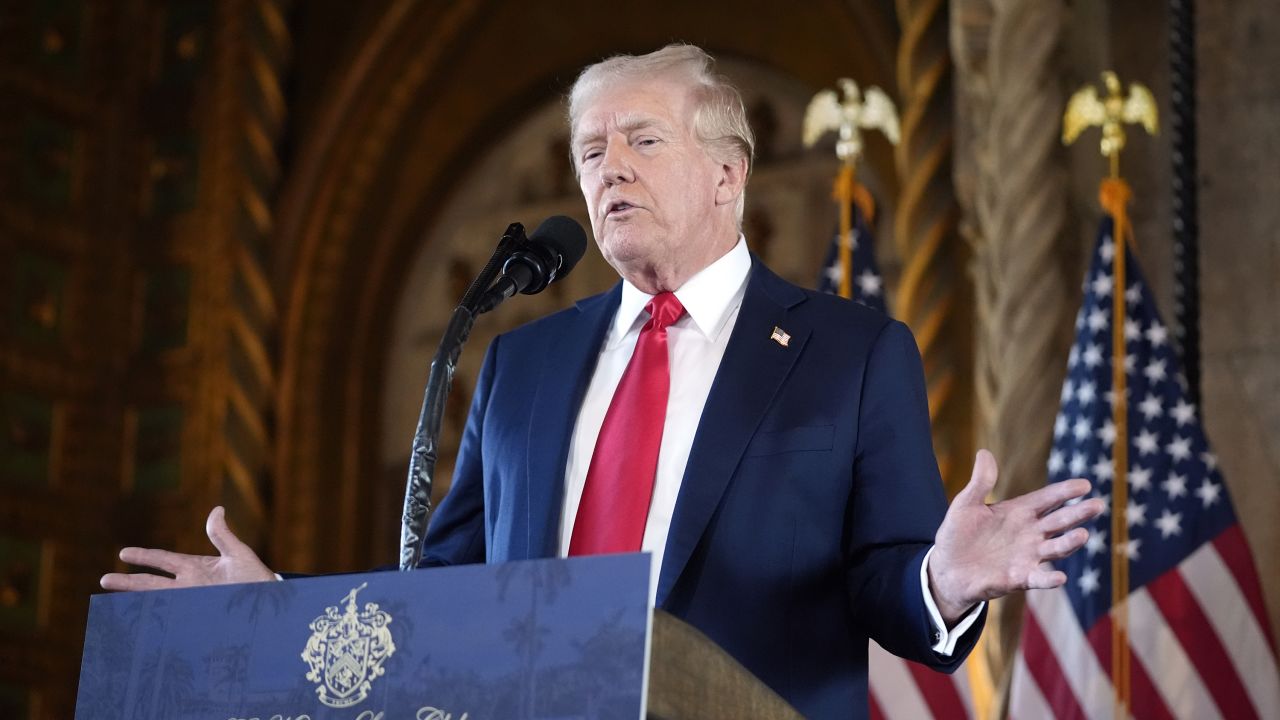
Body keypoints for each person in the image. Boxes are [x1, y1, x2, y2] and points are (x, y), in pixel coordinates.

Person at [102, 44, 1103, 718]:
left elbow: (886, 589)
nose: (607, 166)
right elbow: (446, 599)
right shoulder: (520, 363)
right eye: (590, 149)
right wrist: (276, 607)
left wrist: (943, 577)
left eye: (641, 140)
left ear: (726, 174)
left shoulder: (848, 353)